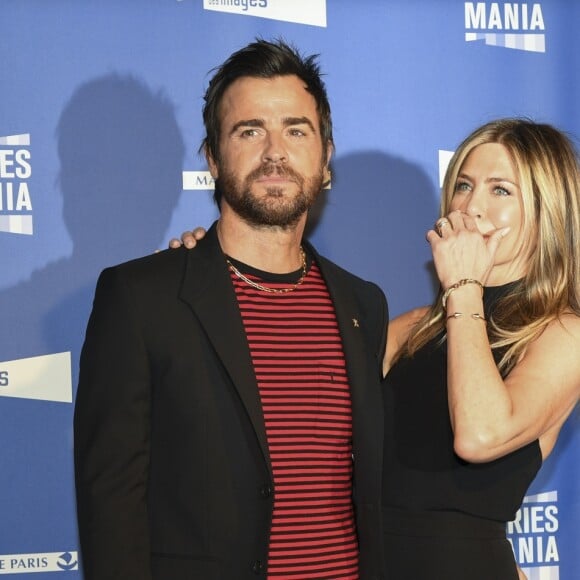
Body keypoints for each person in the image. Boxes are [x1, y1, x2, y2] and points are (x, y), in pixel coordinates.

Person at [176, 118, 580, 579]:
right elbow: (282, 407)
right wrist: (216, 273)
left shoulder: (562, 334)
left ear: (547, 209)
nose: (471, 206)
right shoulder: (410, 330)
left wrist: (464, 285)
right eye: (464, 185)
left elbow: (479, 436)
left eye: (500, 190)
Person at [74, 39, 388, 580]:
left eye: (296, 130)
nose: (275, 151)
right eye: (249, 131)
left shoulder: (364, 304)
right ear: (213, 158)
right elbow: (112, 507)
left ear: (325, 155)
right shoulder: (141, 298)